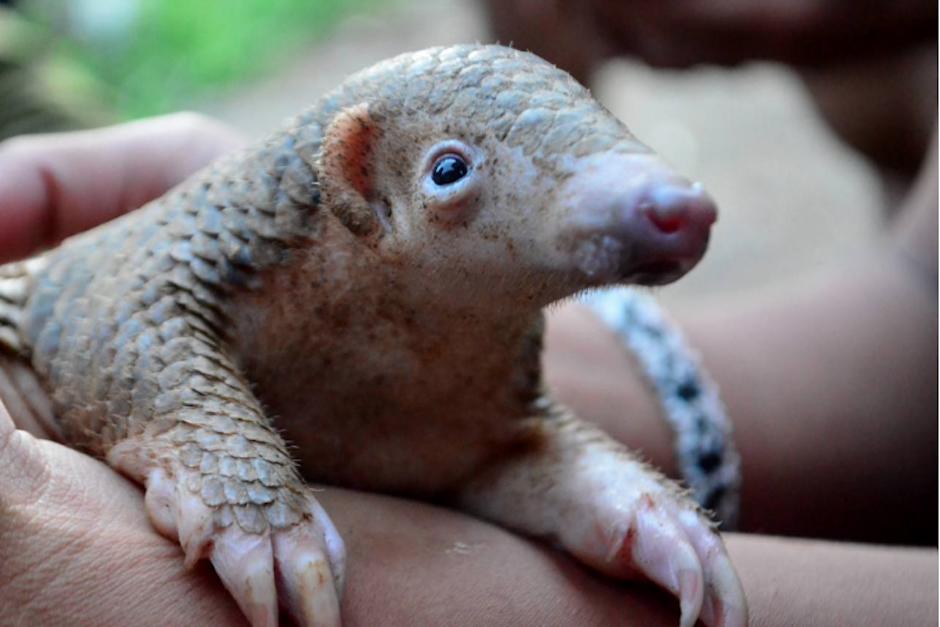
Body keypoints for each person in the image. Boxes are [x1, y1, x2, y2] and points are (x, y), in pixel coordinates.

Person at [0, 106, 935, 626]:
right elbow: (107, 317)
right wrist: (240, 482)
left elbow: (488, 436)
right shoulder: (179, 281)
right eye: (450, 174)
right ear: (360, 177)